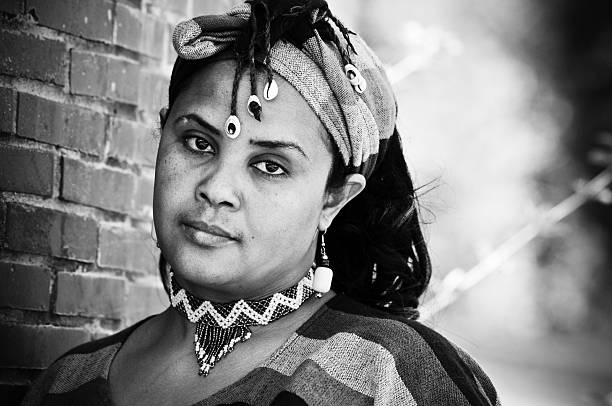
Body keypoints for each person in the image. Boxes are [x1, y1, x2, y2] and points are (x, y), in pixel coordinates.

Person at [21, 1, 500, 405]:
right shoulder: (67, 382)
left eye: (270, 165)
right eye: (197, 143)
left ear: (335, 198)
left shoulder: (391, 377)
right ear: (162, 133)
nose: (217, 189)